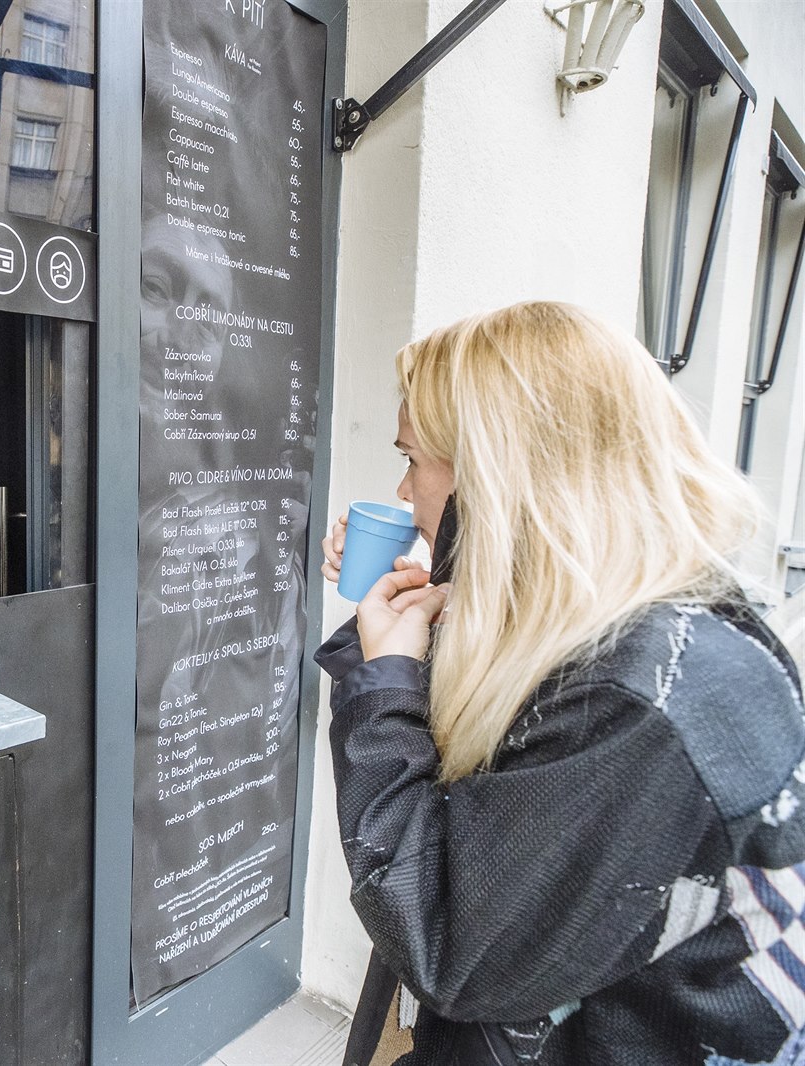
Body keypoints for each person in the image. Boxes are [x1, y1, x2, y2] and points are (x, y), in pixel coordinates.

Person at [315, 302, 805, 1066]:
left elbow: (451, 940)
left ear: (498, 476)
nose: (404, 492)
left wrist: (386, 683)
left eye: (412, 459)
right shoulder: (609, 626)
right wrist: (399, 623)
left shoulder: (638, 705)